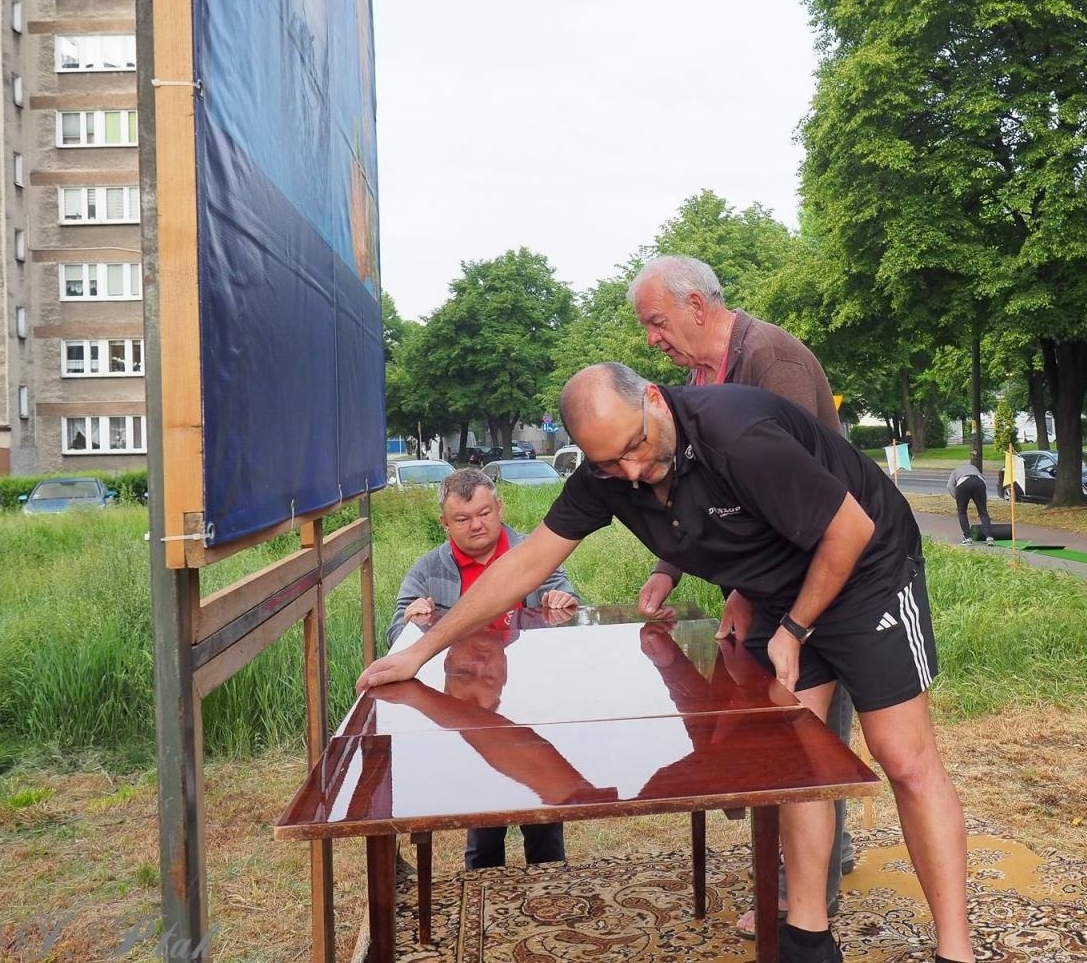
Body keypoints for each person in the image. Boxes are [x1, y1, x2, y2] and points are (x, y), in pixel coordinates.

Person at [358, 365, 974, 963]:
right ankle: (806, 934)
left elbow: (850, 529)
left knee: (903, 756)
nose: (630, 470)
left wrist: (793, 628)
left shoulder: (737, 434)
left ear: (654, 398)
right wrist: (420, 650)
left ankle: (956, 949)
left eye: (635, 447)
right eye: (607, 463)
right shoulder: (610, 472)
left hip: (869, 572)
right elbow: (525, 564)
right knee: (796, 762)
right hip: (783, 591)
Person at [628, 254, 855, 937]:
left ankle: (801, 897)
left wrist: (750, 596)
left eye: (657, 322)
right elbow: (703, 492)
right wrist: (670, 569)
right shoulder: (701, 378)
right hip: (770, 580)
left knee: (798, 742)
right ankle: (821, 857)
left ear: (698, 305)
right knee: (766, 731)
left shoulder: (771, 361)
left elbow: (784, 499)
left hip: (822, 577)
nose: (651, 340)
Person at [387, 467, 581, 870]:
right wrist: (412, 618)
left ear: (499, 508)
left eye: (484, 513)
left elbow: (568, 598)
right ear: (444, 523)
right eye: (462, 518)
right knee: (483, 809)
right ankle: (481, 900)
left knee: (542, 809)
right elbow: (396, 634)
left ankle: (552, 893)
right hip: (466, 704)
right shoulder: (428, 570)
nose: (476, 524)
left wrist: (563, 601)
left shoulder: (533, 554)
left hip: (529, 700)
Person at [945, 461, 995, 545]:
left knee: (962, 512)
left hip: (963, 482)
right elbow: (984, 482)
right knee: (983, 512)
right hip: (979, 482)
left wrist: (958, 498)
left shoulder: (956, 470)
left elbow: (949, 486)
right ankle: (989, 538)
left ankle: (967, 538)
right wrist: (981, 501)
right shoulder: (975, 469)